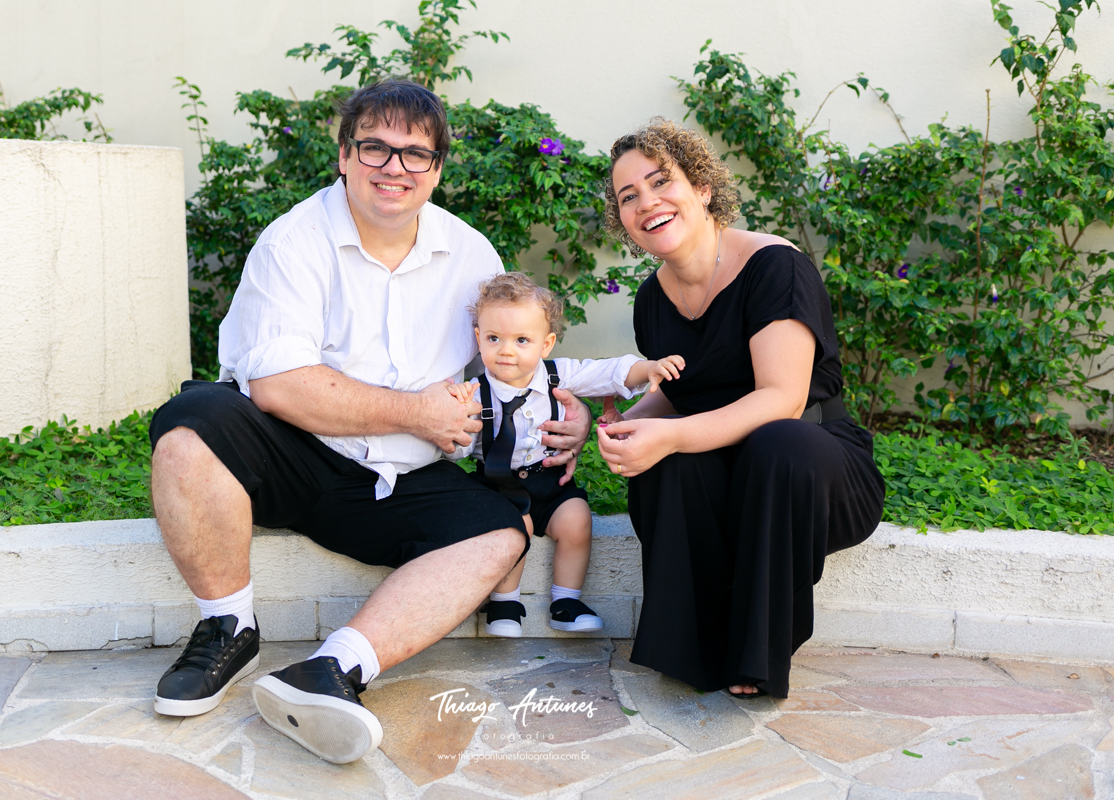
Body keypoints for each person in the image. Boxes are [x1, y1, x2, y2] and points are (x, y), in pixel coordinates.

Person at [146, 79, 592, 764]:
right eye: (376, 147)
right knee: (192, 421)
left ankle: (333, 669)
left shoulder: (472, 256)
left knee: (503, 530)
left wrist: (570, 412)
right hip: (299, 459)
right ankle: (226, 626)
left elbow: (510, 365)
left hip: (409, 478)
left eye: (416, 154)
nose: (395, 167)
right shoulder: (293, 241)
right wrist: (415, 411)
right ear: (344, 156)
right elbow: (279, 386)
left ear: (438, 168)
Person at [596, 118, 885, 699]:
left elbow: (785, 398)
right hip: (730, 467)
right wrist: (624, 426)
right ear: (623, 220)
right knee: (666, 460)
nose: (647, 203)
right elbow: (682, 390)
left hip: (809, 470)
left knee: (778, 439)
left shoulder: (775, 267)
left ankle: (758, 653)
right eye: (630, 197)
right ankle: (692, 649)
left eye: (661, 182)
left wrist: (673, 434)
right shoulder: (652, 299)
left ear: (701, 187)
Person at [444, 272, 684, 637]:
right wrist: (459, 421)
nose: (506, 350)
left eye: (522, 340)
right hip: (498, 486)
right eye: (494, 338)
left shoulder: (558, 376)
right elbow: (459, 447)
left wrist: (647, 368)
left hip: (550, 481)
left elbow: (606, 372)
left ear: (546, 343)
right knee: (513, 527)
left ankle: (566, 601)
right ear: (479, 338)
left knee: (576, 519)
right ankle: (505, 603)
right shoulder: (474, 394)